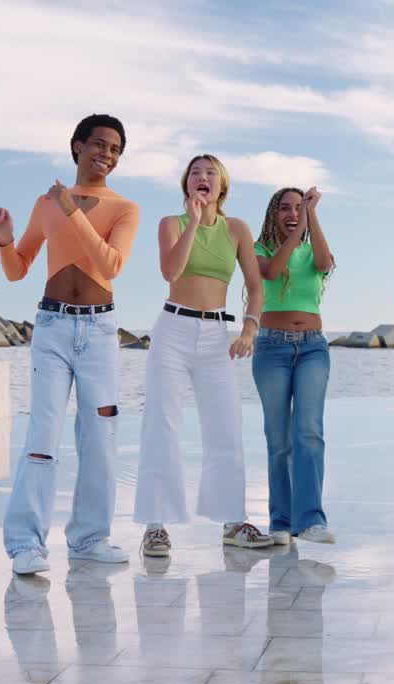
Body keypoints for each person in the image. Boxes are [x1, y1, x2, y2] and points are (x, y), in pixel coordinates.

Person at [0, 114, 139, 575]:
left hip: (99, 332)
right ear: (77, 146)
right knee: (43, 436)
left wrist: (72, 210)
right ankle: (26, 545)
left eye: (115, 150)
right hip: (52, 327)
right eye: (99, 145)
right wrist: (6, 241)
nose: (106, 155)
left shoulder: (125, 208)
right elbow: (18, 270)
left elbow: (111, 265)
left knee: (100, 438)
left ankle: (91, 537)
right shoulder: (44, 204)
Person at [133, 154, 274, 557]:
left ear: (222, 186)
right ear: (186, 185)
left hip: (216, 334)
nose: (202, 177)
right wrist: (193, 222)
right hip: (172, 330)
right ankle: (156, 527)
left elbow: (255, 286)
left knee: (225, 426)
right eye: (195, 172)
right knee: (161, 424)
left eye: (210, 173)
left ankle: (233, 521)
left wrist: (249, 327)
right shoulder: (171, 224)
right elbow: (170, 272)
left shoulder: (237, 229)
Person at [252, 187, 335, 544]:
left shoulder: (313, 244)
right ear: (274, 213)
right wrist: (298, 225)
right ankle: (281, 523)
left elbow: (323, 263)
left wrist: (311, 217)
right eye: (285, 208)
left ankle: (312, 520)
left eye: (298, 208)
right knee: (279, 439)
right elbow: (271, 272)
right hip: (272, 348)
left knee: (309, 433)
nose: (292, 213)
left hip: (313, 348)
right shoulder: (258, 250)